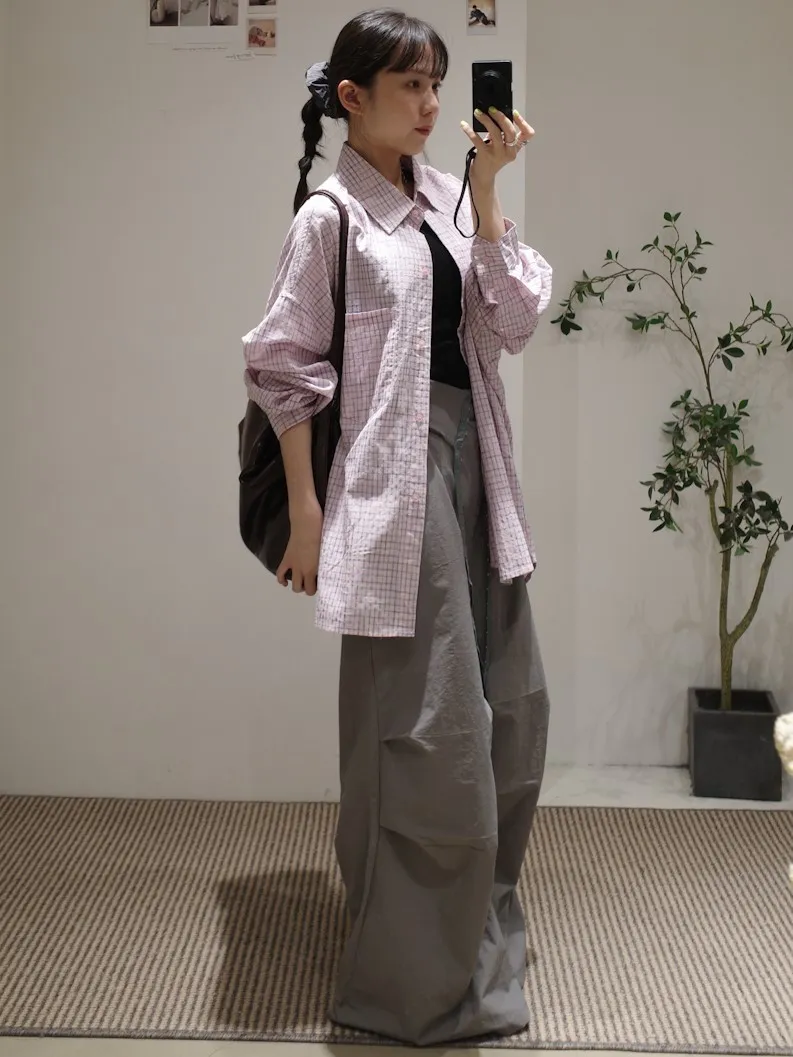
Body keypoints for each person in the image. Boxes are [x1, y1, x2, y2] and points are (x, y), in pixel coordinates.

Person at [242, 7, 552, 1047]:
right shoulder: (329, 218)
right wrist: (307, 514)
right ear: (352, 97)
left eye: (436, 84)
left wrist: (489, 190)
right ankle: (411, 982)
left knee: (511, 714)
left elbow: (512, 324)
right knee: (426, 735)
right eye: (411, 85)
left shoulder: (448, 198)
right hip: (393, 485)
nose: (430, 105)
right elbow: (283, 369)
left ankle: (475, 932)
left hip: (477, 474)